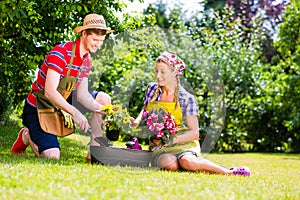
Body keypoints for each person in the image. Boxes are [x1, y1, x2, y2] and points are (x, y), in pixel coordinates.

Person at [11, 14, 113, 160]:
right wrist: (75, 112)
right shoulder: (61, 53)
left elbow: (82, 95)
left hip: (60, 102)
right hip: (38, 107)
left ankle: (94, 154)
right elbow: (50, 92)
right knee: (52, 156)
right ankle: (26, 136)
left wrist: (101, 109)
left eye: (101, 41)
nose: (98, 44)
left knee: (103, 99)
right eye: (95, 39)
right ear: (84, 34)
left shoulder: (86, 60)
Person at [131, 52, 250, 176]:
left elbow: (194, 133)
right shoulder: (152, 89)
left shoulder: (186, 99)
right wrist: (137, 121)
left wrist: (171, 140)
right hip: (160, 147)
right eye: (156, 71)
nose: (158, 76)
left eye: (163, 72)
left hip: (184, 144)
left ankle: (227, 171)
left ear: (174, 72)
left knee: (187, 161)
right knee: (169, 165)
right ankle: (198, 166)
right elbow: (146, 108)